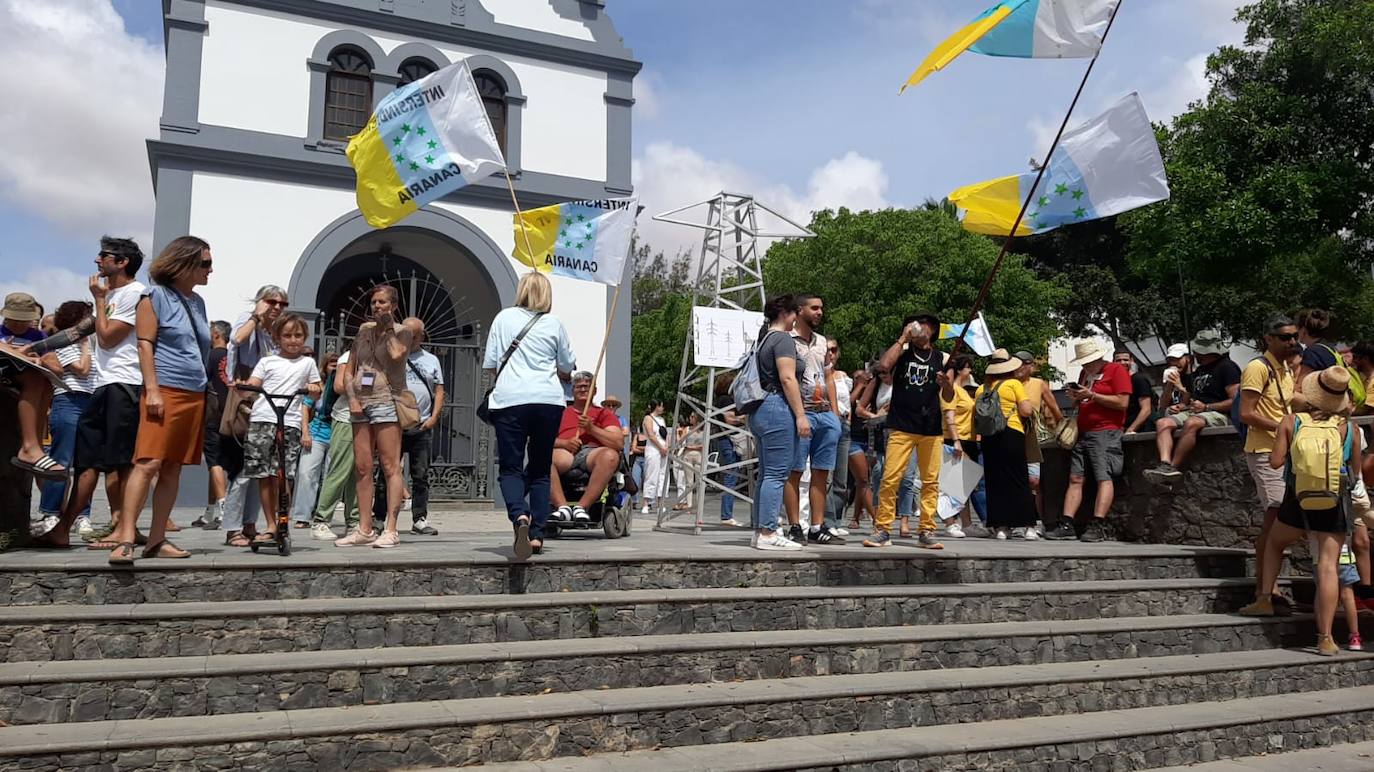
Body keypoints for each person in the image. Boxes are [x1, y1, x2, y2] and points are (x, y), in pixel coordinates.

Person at [34, 237, 147, 549]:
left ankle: (125, 529)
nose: (97, 261)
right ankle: (63, 529)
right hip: (102, 387)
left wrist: (99, 299)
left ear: (121, 262)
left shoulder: (135, 294)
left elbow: (108, 338)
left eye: (104, 256)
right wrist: (33, 348)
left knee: (121, 463)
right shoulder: (111, 294)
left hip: (125, 385)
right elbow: (76, 333)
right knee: (86, 462)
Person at [107, 236, 213, 564]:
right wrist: (151, 389)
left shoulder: (197, 302)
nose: (211, 270)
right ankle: (125, 537)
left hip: (194, 392)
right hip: (164, 389)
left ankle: (157, 539)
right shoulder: (153, 296)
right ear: (184, 264)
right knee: (148, 461)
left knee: (172, 467)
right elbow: (144, 345)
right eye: (205, 263)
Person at [1240, 366, 1357, 657]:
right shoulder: (1350, 428)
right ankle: (1326, 638)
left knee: (1275, 543)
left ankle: (1266, 597)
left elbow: (1277, 462)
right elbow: (1353, 472)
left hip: (1298, 500)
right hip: (1333, 502)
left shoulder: (1292, 421)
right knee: (1329, 567)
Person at [483, 272, 575, 559]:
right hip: (548, 400)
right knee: (539, 468)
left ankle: (519, 517)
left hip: (510, 401)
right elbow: (567, 364)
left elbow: (491, 364)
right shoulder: (554, 323)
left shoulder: (503, 318)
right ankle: (536, 535)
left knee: (510, 468)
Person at [865, 313, 953, 549]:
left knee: (930, 480)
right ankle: (882, 528)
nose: (916, 328)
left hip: (930, 427)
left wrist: (947, 385)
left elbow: (949, 396)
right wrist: (902, 338)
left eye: (922, 324)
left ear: (932, 330)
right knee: (891, 476)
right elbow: (883, 366)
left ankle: (926, 529)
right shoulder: (902, 354)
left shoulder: (942, 358)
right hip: (902, 424)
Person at [337, 285, 413, 549]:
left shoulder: (404, 332)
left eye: (382, 302)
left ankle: (391, 529)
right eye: (373, 302)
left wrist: (389, 326)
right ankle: (364, 527)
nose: (377, 306)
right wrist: (352, 397)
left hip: (387, 400)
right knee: (362, 467)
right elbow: (350, 368)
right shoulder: (363, 331)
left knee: (391, 465)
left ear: (393, 305)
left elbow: (396, 355)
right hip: (361, 402)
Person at [239, 314, 321, 546]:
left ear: (304, 338)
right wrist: (243, 387)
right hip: (263, 418)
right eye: (287, 335)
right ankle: (271, 524)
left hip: (290, 421)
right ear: (277, 338)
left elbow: (317, 390)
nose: (292, 340)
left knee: (284, 473)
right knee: (263, 473)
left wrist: (313, 389)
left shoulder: (307, 363)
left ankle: (283, 518)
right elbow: (253, 385)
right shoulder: (267, 361)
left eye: (297, 335)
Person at [1238, 315, 1299, 612]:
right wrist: (1282, 428)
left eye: (1294, 336)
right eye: (1285, 337)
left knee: (1275, 522)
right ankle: (1266, 591)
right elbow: (1246, 413)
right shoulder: (1257, 369)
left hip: (1282, 452)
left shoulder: (1285, 368)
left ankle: (1267, 590)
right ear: (1269, 339)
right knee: (1274, 520)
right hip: (1264, 452)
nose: (1291, 341)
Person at [220, 286, 289, 544]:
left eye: (282, 303)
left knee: (258, 469)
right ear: (260, 301)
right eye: (272, 301)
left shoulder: (274, 333)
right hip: (246, 400)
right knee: (241, 468)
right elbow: (237, 340)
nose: (277, 307)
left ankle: (249, 523)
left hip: (266, 404)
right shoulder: (248, 320)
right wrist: (256, 317)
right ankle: (232, 528)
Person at [1046, 341, 1130, 543]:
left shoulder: (1116, 370)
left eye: (1087, 363)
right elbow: (1084, 401)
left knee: (1104, 476)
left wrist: (1092, 394)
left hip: (1105, 431)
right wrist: (1076, 397)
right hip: (1084, 431)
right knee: (1075, 478)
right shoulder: (1086, 375)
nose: (1085, 367)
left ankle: (1098, 523)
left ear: (1098, 358)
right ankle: (1067, 523)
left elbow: (1122, 403)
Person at [371, 316, 445, 536]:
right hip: (393, 422)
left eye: (412, 335)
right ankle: (379, 518)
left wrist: (433, 417)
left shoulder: (431, 360)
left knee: (420, 474)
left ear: (421, 336)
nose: (408, 339)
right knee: (386, 472)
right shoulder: (390, 355)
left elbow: (439, 390)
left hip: (420, 424)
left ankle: (419, 518)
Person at [782, 295, 844, 545]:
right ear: (800, 310)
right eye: (814, 308)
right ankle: (795, 524)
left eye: (821, 308)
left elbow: (828, 375)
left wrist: (836, 415)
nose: (820, 312)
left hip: (824, 412)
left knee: (822, 472)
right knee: (794, 471)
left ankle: (817, 526)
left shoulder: (821, 342)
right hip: (801, 411)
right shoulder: (787, 340)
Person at [747, 294, 807, 551]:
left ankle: (760, 528)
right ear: (786, 313)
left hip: (760, 409)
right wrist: (801, 415)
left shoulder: (763, 340)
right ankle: (769, 531)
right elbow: (787, 378)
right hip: (776, 407)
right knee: (776, 473)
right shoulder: (782, 339)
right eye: (795, 314)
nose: (796, 319)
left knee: (766, 473)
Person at [1145, 329, 1242, 485]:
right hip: (1196, 410)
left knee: (1193, 423)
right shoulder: (1199, 371)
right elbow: (1190, 398)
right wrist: (1181, 406)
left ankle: (1173, 467)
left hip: (1218, 413)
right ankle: (1164, 463)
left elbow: (1236, 400)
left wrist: (1207, 407)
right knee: (1163, 422)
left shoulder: (1228, 367)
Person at [36, 301, 96, 533]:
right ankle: (50, 513)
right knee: (61, 460)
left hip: (91, 401)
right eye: (86, 316)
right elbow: (82, 369)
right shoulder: (62, 343)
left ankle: (82, 514)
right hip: (68, 400)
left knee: (86, 463)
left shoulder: (91, 343)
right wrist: (84, 347)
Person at [975, 350, 1037, 539]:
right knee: (1019, 479)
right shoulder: (1013, 384)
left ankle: (1001, 526)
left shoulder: (981, 389)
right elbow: (1026, 411)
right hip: (1011, 433)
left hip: (988, 437)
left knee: (995, 481)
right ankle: (1028, 525)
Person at [2, 292, 64, 479]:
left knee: (44, 382)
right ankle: (30, 447)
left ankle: (34, 445)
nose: (19, 324)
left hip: (26, 386)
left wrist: (41, 361)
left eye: (23, 320)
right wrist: (13, 351)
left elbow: (58, 370)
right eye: (15, 320)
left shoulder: (39, 336)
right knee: (35, 380)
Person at [550, 371, 623, 521]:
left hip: (592, 453)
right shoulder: (561, 413)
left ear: (594, 391)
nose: (583, 390)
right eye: (579, 387)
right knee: (544, 456)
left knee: (610, 456)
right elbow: (544, 439)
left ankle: (582, 507)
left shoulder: (604, 414)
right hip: (565, 453)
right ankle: (562, 507)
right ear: (572, 390)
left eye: (587, 387)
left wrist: (592, 429)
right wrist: (564, 443)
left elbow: (618, 442)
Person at [310, 350, 361, 540]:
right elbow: (339, 386)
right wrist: (365, 385)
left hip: (366, 420)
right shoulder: (349, 357)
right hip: (346, 418)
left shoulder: (378, 357)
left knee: (357, 473)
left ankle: (353, 522)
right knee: (339, 470)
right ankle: (321, 520)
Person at [940, 354, 989, 538]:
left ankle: (967, 523)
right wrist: (956, 441)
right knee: (951, 484)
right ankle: (950, 523)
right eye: (968, 367)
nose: (971, 371)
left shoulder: (964, 390)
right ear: (960, 369)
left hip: (968, 439)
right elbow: (949, 415)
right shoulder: (951, 390)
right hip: (955, 438)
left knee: (964, 485)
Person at [293, 352, 338, 530]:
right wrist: (305, 432)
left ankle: (322, 515)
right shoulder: (318, 386)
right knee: (306, 474)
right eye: (331, 363)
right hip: (317, 433)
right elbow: (305, 407)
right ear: (325, 366)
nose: (334, 366)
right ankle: (302, 516)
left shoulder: (342, 385)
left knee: (331, 477)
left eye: (337, 363)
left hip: (337, 434)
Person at [193, 320, 232, 529]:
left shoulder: (210, 356)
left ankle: (224, 510)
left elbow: (200, 382)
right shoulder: (231, 357)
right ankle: (209, 512)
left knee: (214, 462)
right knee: (216, 464)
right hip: (230, 416)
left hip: (213, 415)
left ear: (216, 334)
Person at [1016, 351, 1062, 526]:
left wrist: (1062, 429)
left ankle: (1040, 521)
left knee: (1034, 481)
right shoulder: (1008, 383)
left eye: (1022, 363)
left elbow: (1054, 408)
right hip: (1012, 437)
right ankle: (1021, 520)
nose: (1019, 367)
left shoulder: (1038, 384)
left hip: (1034, 438)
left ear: (1030, 366)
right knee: (1018, 480)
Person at [824, 340, 854, 535]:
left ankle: (836, 520)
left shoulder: (843, 377)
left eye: (834, 350)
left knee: (841, 478)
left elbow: (847, 400)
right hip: (827, 421)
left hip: (843, 424)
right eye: (827, 350)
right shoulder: (819, 375)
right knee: (825, 476)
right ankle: (825, 520)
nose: (831, 353)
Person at [711, 372, 747, 528]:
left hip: (725, 439)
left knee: (732, 475)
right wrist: (745, 418)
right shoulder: (725, 400)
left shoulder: (718, 401)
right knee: (731, 476)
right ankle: (727, 515)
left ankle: (727, 514)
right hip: (729, 439)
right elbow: (729, 419)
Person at [845, 368, 878, 531]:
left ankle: (856, 517)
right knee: (863, 480)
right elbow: (847, 404)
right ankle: (876, 519)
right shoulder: (852, 393)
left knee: (862, 481)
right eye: (857, 377)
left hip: (871, 440)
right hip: (853, 440)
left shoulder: (873, 393)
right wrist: (859, 386)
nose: (862, 379)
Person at [1115, 350, 1155, 434]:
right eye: (1118, 360)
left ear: (1131, 361)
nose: (1122, 363)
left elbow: (1146, 409)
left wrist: (1131, 430)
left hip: (1141, 430)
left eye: (1125, 360)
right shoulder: (1115, 382)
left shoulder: (1138, 379)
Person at [640, 400, 669, 513]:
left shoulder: (662, 420)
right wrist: (660, 448)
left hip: (663, 449)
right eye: (661, 406)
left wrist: (666, 446)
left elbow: (665, 435)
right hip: (653, 448)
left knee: (662, 475)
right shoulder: (648, 418)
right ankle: (646, 503)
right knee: (651, 474)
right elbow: (651, 435)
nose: (662, 408)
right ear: (656, 407)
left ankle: (660, 503)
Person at [1294, 308, 1337, 382]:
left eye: (1297, 328)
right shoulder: (1330, 349)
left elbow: (1300, 386)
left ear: (1304, 330)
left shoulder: (1312, 353)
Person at [675, 411, 706, 510]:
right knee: (689, 482)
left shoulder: (703, 430)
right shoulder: (687, 429)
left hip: (699, 456)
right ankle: (689, 504)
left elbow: (704, 445)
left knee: (699, 481)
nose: (690, 418)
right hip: (687, 456)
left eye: (693, 416)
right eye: (690, 416)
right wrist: (680, 434)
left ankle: (699, 504)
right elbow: (681, 442)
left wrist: (692, 446)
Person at [1158, 343, 1193, 414]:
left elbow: (1194, 401)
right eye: (1171, 360)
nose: (1173, 363)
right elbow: (1162, 406)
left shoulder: (1194, 377)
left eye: (1177, 359)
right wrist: (1169, 384)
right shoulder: (1173, 377)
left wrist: (1179, 386)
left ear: (1188, 358)